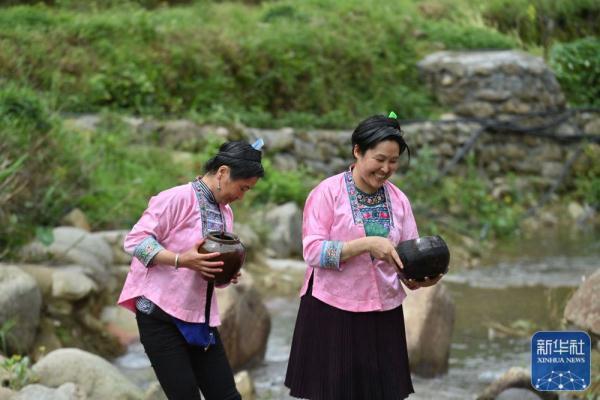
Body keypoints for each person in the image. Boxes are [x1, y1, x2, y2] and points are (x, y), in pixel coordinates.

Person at [284, 113, 442, 400]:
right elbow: (312, 251)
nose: (386, 168)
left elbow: (406, 254)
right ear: (357, 151)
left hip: (383, 310)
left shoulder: (398, 200)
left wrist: (417, 278)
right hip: (331, 308)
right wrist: (365, 244)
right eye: (379, 159)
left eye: (393, 161)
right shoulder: (327, 193)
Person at [117, 140, 264, 400]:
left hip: (199, 317)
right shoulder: (175, 198)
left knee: (227, 397)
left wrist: (224, 274)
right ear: (222, 173)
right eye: (242, 188)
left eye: (248, 190)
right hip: (160, 317)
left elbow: (205, 268)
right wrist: (179, 260)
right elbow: (135, 240)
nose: (242, 196)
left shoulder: (225, 213)